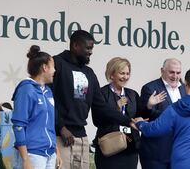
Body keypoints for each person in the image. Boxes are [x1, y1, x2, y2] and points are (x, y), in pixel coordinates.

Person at [51, 30, 134, 169]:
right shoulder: (57, 64)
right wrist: (61, 127)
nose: (90, 52)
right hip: (61, 137)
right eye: (88, 48)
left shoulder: (89, 73)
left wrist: (128, 121)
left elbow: (101, 106)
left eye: (92, 48)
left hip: (81, 137)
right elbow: (48, 100)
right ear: (75, 45)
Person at [133, 68, 190, 169]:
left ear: (185, 83)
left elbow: (154, 129)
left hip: (183, 162)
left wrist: (140, 123)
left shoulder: (174, 109)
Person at [94, 57, 166, 169]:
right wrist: (116, 107)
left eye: (127, 73)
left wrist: (149, 105)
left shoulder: (132, 94)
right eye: (122, 73)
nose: (125, 77)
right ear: (112, 74)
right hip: (110, 147)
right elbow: (97, 120)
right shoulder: (101, 93)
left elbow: (140, 116)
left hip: (130, 148)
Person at [12, 45, 62, 169]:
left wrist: (57, 153)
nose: (55, 71)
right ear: (45, 68)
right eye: (53, 67)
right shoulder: (26, 89)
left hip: (49, 154)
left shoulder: (48, 92)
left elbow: (50, 125)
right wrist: (25, 159)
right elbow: (19, 126)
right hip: (32, 154)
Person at [139, 58, 186, 169]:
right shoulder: (150, 88)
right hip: (156, 153)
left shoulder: (184, 88)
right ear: (162, 71)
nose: (175, 76)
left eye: (178, 72)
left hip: (178, 153)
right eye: (171, 72)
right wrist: (149, 106)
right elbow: (144, 116)